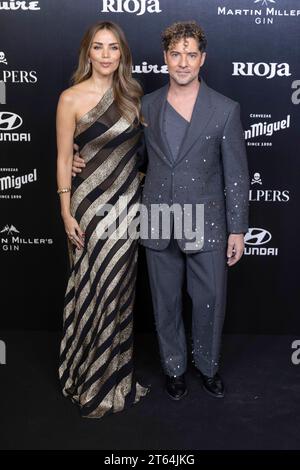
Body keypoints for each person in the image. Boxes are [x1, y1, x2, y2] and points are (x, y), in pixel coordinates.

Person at [72, 21, 250, 401]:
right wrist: (81, 158)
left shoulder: (225, 109)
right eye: (175, 54)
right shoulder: (145, 105)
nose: (182, 62)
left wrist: (238, 229)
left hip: (206, 220)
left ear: (202, 59)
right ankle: (174, 370)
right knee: (165, 302)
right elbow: (127, 156)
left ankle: (207, 366)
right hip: (156, 219)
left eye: (190, 54)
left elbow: (236, 174)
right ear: (165, 58)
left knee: (208, 301)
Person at [56, 21, 149, 419]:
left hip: (127, 208)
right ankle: (89, 375)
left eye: (114, 48)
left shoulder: (134, 96)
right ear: (88, 53)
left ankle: (113, 377)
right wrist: (64, 210)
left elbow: (147, 151)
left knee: (118, 290)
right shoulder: (70, 98)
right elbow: (63, 158)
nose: (107, 55)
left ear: (122, 54)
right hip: (88, 208)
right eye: (99, 47)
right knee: (93, 286)